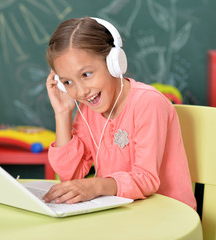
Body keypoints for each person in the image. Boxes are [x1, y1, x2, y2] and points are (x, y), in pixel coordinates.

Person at [43, 17, 196, 210]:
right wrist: (62, 113)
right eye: (67, 82)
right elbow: (71, 176)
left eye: (86, 74)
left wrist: (95, 184)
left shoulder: (148, 103)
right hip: (122, 212)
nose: (81, 92)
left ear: (114, 62)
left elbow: (146, 178)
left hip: (168, 214)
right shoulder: (87, 109)